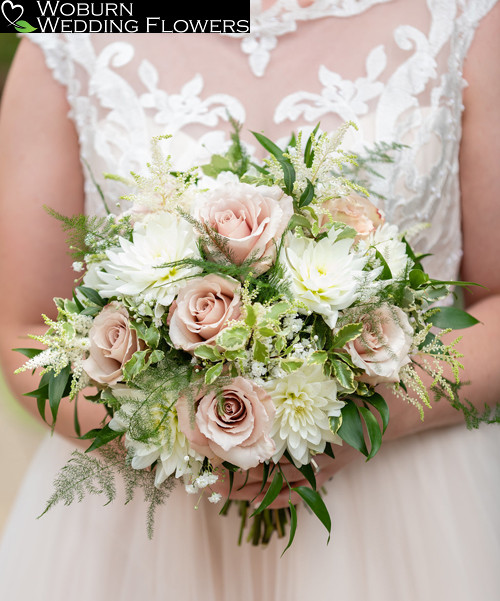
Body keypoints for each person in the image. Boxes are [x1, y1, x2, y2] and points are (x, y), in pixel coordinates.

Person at [0, 1, 499, 599]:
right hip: (145, 530)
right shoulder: (67, 34)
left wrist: (351, 420)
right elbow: (24, 329)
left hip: (408, 504)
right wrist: (178, 434)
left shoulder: (465, 19)